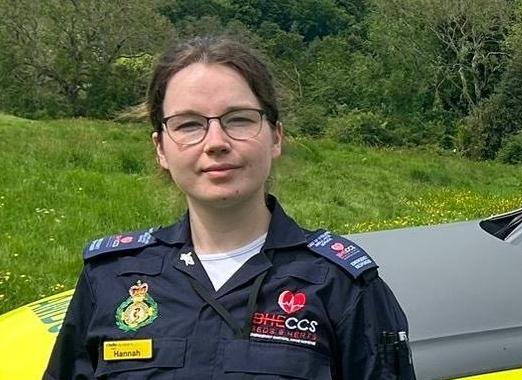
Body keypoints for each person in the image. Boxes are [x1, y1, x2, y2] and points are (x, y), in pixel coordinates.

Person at [43, 36, 415, 380]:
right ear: (161, 148)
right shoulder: (110, 278)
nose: (216, 142)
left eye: (238, 119)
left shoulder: (341, 285)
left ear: (275, 137)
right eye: (189, 124)